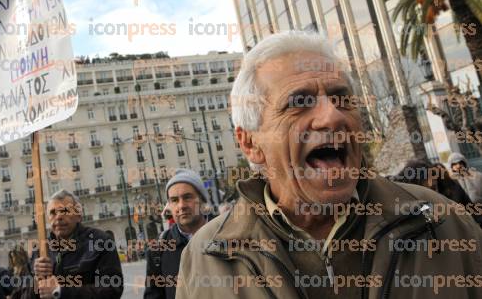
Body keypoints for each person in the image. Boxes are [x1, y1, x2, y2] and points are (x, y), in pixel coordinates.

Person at [176, 31, 482, 299]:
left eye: (341, 98)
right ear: (250, 144)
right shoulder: (206, 257)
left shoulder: (444, 223)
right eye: (299, 102)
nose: (332, 116)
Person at [31, 189, 123, 299]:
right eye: (53, 212)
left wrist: (60, 291)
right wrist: (37, 282)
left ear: (78, 215)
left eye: (65, 211)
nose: (58, 217)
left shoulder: (100, 242)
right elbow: (21, 294)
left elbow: (112, 289)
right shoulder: (40, 251)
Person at [144, 169, 209, 299]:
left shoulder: (227, 235)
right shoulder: (158, 249)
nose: (181, 206)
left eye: (187, 197)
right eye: (174, 200)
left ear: (201, 200)